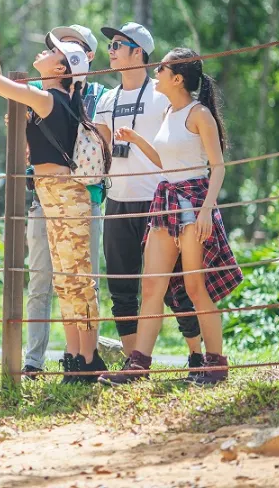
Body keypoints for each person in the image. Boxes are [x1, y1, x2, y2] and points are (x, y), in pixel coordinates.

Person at [0, 4, 111, 383]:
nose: (45, 49)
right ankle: (76, 358)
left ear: (61, 69)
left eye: (53, 50)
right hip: (52, 193)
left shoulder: (49, 99)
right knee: (65, 279)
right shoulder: (51, 95)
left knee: (77, 279)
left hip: (64, 194)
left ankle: (88, 359)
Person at [99, 48, 242, 386]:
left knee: (195, 286)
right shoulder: (167, 112)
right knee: (152, 285)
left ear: (177, 78)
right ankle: (138, 365)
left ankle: (216, 365)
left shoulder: (199, 114)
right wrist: (136, 140)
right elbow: (164, 162)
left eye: (161, 67)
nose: (156, 71)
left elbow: (217, 166)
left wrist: (207, 209)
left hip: (193, 202)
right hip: (166, 201)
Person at [92, 23, 204, 375]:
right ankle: (134, 363)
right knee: (121, 286)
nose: (110, 50)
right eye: (109, 45)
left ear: (138, 52)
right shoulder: (106, 99)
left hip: (159, 200)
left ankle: (197, 355)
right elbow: (100, 149)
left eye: (117, 45)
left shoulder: (162, 93)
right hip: (118, 200)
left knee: (177, 287)